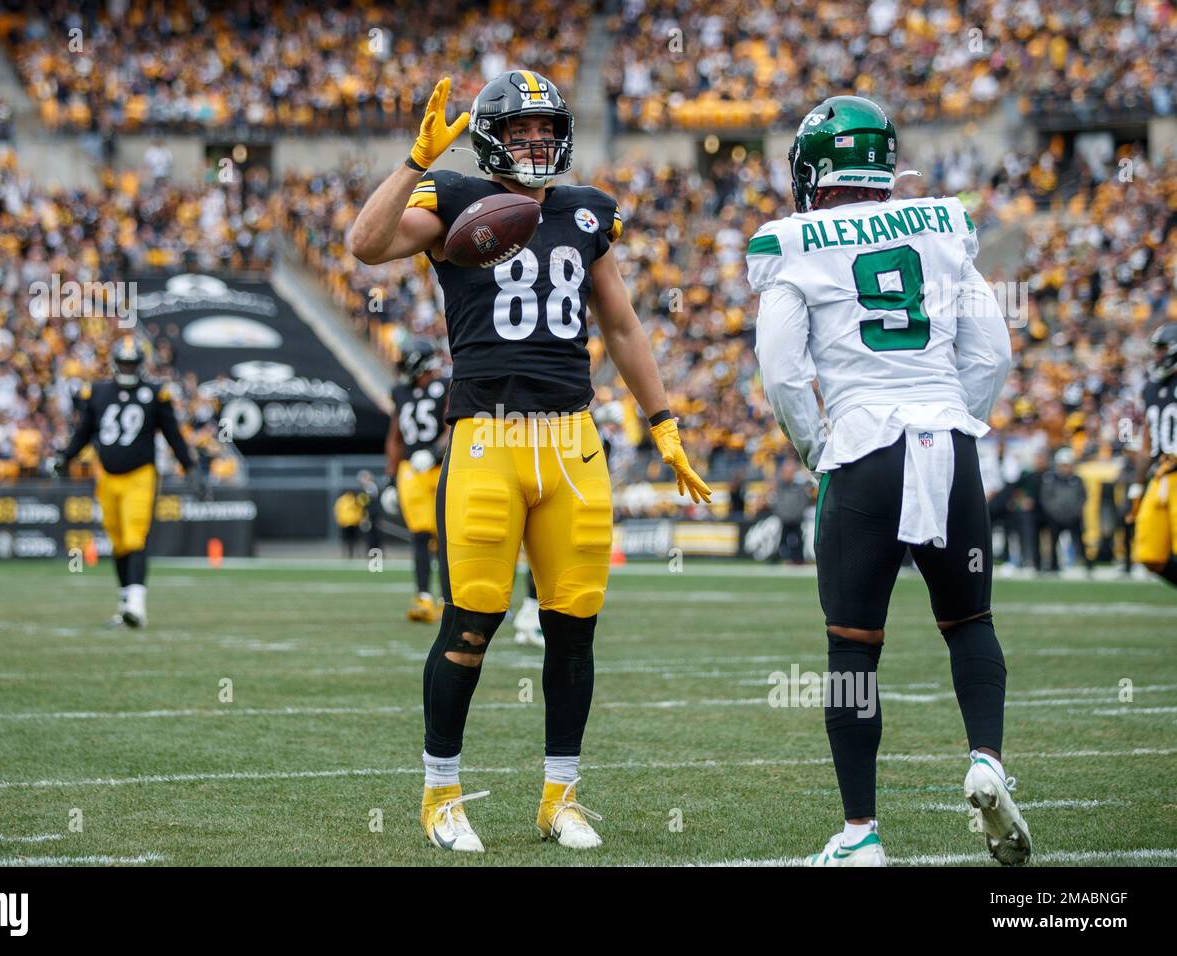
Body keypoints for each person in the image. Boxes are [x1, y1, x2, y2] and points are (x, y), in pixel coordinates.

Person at [348, 71, 710, 853]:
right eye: (520, 132)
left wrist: (663, 420)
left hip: (573, 444)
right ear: (488, 140)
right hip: (486, 439)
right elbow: (365, 245)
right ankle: (440, 793)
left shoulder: (585, 212)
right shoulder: (449, 198)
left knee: (572, 629)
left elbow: (620, 325)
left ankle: (560, 798)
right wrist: (414, 161)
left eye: (546, 130)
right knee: (470, 625)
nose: (537, 143)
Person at [750, 96, 1028, 866]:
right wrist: (949, 421)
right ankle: (986, 761)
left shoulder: (792, 242)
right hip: (949, 438)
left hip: (866, 446)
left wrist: (820, 451)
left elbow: (781, 371)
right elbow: (993, 353)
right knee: (970, 624)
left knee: (850, 654)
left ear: (814, 171)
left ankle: (860, 833)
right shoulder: (941, 225)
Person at [50, 335, 202, 627]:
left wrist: (190, 467)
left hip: (140, 475)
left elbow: (173, 434)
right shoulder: (97, 392)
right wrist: (66, 457)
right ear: (115, 364)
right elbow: (84, 432)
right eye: (124, 363)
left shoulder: (156, 394)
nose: (129, 369)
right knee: (118, 543)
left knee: (134, 537)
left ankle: (136, 604)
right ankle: (125, 605)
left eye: (133, 364)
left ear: (141, 365)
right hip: (106, 476)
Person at [385, 338, 448, 623]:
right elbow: (394, 437)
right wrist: (389, 478)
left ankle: (452, 600)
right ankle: (423, 597)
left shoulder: (445, 386)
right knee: (421, 534)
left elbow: (456, 423)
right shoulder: (400, 392)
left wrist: (435, 451)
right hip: (411, 470)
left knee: (449, 536)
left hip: (443, 466)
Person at [1127, 323, 1177, 586]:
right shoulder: (1150, 388)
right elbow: (1146, 440)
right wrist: (1136, 487)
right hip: (1160, 477)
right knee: (1150, 555)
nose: (1156, 355)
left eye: (1161, 349)